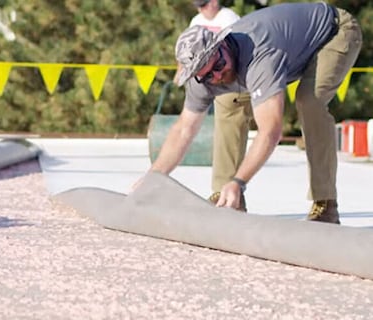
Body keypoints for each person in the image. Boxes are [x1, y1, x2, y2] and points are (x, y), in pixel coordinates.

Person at [145, 2, 362, 224]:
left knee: (309, 101)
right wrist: (152, 179)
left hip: (333, 32)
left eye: (218, 65)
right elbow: (184, 129)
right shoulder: (203, 77)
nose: (217, 76)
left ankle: (325, 204)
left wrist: (239, 182)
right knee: (228, 101)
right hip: (290, 48)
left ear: (223, 45)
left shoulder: (260, 56)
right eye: (207, 75)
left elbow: (270, 131)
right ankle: (227, 197)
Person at [188, 0, 254, 211]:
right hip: (209, 79)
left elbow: (236, 48)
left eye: (204, 5)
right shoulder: (196, 21)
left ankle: (230, 191)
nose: (201, 10)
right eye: (199, 6)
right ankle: (222, 190)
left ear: (214, 2)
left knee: (230, 118)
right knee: (217, 127)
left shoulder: (229, 17)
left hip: (233, 75)